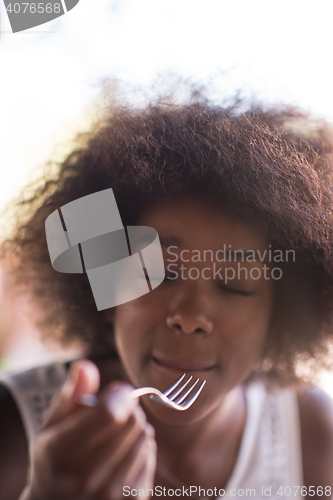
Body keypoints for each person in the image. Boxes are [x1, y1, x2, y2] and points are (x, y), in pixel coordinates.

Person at [1, 90, 333, 500]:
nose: (191, 315)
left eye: (235, 284)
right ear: (106, 291)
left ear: (277, 317)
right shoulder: (14, 428)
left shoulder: (311, 433)